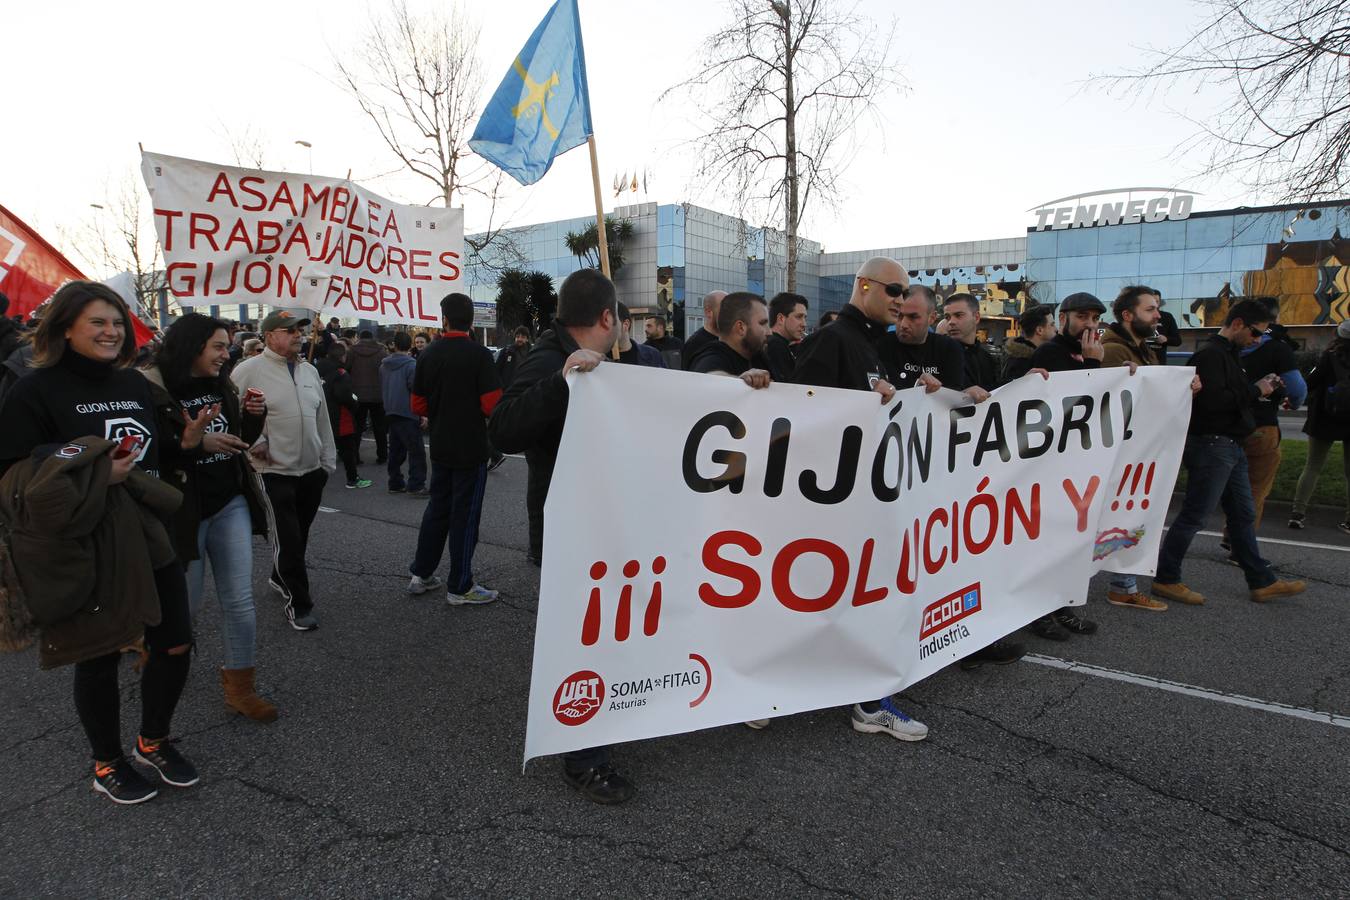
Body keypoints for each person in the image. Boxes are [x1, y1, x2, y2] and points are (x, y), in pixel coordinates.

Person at [0, 281, 202, 804]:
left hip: (149, 532)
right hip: (86, 540)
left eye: (116, 322)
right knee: (101, 654)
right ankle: (106, 761)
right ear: (66, 328)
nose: (111, 331)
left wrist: (191, 445)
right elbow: (13, 475)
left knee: (175, 641)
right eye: (97, 322)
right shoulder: (33, 390)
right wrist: (94, 475)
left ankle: (152, 740)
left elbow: (154, 456)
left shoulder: (134, 384)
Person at [488, 268, 634, 804]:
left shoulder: (610, 361)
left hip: (606, 522)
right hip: (570, 529)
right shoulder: (552, 359)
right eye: (620, 315)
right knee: (582, 641)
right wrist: (560, 380)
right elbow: (501, 429)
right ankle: (584, 757)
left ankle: (607, 721)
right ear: (604, 318)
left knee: (608, 631)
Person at [791, 257, 928, 742]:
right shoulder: (833, 339)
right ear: (863, 285)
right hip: (829, 502)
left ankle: (868, 700)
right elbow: (795, 414)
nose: (900, 299)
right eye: (892, 289)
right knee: (822, 600)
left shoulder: (870, 343)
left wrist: (917, 396)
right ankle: (763, 686)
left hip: (862, 497)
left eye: (905, 292)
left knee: (862, 599)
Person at [145, 313, 278, 723]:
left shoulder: (224, 382)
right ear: (192, 346)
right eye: (218, 347)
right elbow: (145, 452)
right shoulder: (151, 386)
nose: (227, 353)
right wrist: (195, 444)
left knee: (239, 601)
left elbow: (239, 441)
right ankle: (151, 654)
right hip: (182, 512)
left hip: (230, 503)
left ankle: (240, 687)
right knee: (184, 608)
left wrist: (253, 416)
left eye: (227, 346)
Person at [1152, 299, 1307, 605]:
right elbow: (1212, 402)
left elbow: (1228, 396)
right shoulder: (1211, 355)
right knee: (1196, 514)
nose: (1258, 339)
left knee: (1243, 514)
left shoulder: (1229, 354)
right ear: (1238, 324)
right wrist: (1256, 390)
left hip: (1229, 444)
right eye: (1255, 332)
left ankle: (1261, 581)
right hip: (1212, 444)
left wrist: (1258, 389)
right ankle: (1166, 577)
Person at [230, 310, 336, 632]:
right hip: (273, 469)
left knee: (300, 532)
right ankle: (299, 605)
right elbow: (231, 414)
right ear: (269, 336)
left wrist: (327, 461)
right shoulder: (248, 370)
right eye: (288, 330)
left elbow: (322, 418)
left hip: (310, 469)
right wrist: (255, 440)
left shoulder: (308, 371)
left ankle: (280, 576)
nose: (297, 335)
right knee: (289, 538)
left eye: (300, 330)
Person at [407, 293, 502, 606]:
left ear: (443, 319)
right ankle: (460, 585)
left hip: (441, 444)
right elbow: (492, 405)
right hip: (472, 447)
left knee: (437, 509)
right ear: (471, 320)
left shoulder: (428, 354)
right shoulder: (479, 355)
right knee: (465, 516)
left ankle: (421, 574)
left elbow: (417, 403)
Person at [1023, 292, 1108, 639]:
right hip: (1047, 467)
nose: (1090, 324)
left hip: (1077, 465)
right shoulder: (1051, 353)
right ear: (1064, 320)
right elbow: (1077, 403)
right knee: (1041, 544)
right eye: (1083, 317)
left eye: (1095, 318)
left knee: (1067, 543)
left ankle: (1061, 606)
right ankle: (1037, 614)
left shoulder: (1092, 354)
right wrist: (1091, 365)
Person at [1099, 286, 1175, 612]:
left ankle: (1124, 585)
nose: (1157, 315)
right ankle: (1121, 586)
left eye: (1157, 308)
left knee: (1125, 518)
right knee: (1113, 519)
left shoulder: (1142, 348)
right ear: (1128, 315)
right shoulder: (1115, 352)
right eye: (1150, 309)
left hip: (1135, 451)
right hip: (1118, 454)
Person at [1228, 299, 1306, 536]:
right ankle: (1239, 541)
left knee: (1227, 486)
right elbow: (1297, 388)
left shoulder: (1226, 345)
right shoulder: (1278, 349)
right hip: (1262, 424)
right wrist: (1292, 401)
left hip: (1226, 425)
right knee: (1255, 488)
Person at [1289, 320, 1350, 533]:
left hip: (1324, 417)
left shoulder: (1329, 356)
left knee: (1313, 466)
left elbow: (1311, 382)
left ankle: (1298, 513)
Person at [877, 285, 968, 392]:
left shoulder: (949, 349)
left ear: (932, 318)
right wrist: (916, 387)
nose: (903, 324)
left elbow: (954, 395)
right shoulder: (881, 345)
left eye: (913, 317)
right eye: (899, 316)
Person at [316, 343, 368, 490]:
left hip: (320, 412)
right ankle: (352, 479)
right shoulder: (340, 373)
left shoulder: (315, 370)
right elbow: (344, 396)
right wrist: (354, 403)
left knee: (320, 447)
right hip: (340, 414)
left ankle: (315, 479)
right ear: (342, 356)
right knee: (347, 449)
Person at [690, 292, 773, 383]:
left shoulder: (758, 356)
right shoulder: (713, 355)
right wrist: (740, 381)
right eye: (762, 323)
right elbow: (707, 377)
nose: (769, 332)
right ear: (741, 327)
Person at [381, 331, 426, 495]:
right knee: (416, 451)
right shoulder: (411, 365)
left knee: (395, 449)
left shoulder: (383, 365)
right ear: (410, 346)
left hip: (390, 410)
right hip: (407, 412)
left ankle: (395, 482)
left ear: (395, 345)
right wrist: (422, 413)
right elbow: (415, 390)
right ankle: (416, 484)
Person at [347, 330, 388, 465]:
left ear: (359, 337)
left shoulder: (352, 351)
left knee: (357, 427)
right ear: (372, 338)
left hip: (358, 395)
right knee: (379, 427)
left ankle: (354, 456)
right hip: (378, 394)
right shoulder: (382, 351)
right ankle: (382, 456)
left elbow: (347, 368)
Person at [942, 293, 997, 391]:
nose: (951, 322)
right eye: (947, 317)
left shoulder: (987, 358)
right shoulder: (937, 355)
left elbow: (996, 390)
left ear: (976, 317)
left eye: (958, 315)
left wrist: (1021, 382)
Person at [1001, 305, 1056, 384]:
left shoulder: (1034, 356)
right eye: (1052, 324)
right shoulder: (1020, 362)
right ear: (1039, 330)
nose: (1056, 329)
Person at [764, 291, 808, 382]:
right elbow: (790, 385)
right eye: (799, 317)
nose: (804, 324)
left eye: (805, 318)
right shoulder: (775, 345)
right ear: (781, 318)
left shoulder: (775, 343)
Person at [678, 290, 725, 370]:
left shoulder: (730, 339)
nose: (731, 313)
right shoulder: (695, 344)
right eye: (725, 308)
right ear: (709, 312)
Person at [614, 302, 666, 367]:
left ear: (626, 325)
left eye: (607, 322)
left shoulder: (653, 355)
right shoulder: (599, 360)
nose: (645, 330)